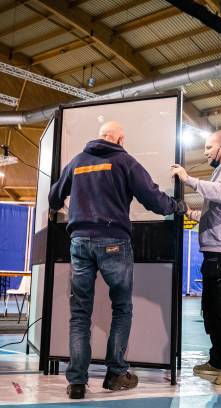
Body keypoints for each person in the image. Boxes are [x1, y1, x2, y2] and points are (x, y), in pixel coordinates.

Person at [48, 121, 186, 399]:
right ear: (120, 138)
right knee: (121, 308)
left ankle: (77, 382)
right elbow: (154, 200)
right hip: (114, 242)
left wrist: (61, 207)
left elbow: (54, 196)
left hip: (79, 242)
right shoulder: (124, 161)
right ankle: (115, 374)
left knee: (79, 314)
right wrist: (177, 206)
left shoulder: (77, 161)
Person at [170, 130, 221, 386]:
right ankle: (218, 361)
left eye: (209, 147)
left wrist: (189, 180)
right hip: (215, 250)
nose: (206, 152)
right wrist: (193, 213)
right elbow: (219, 209)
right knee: (213, 309)